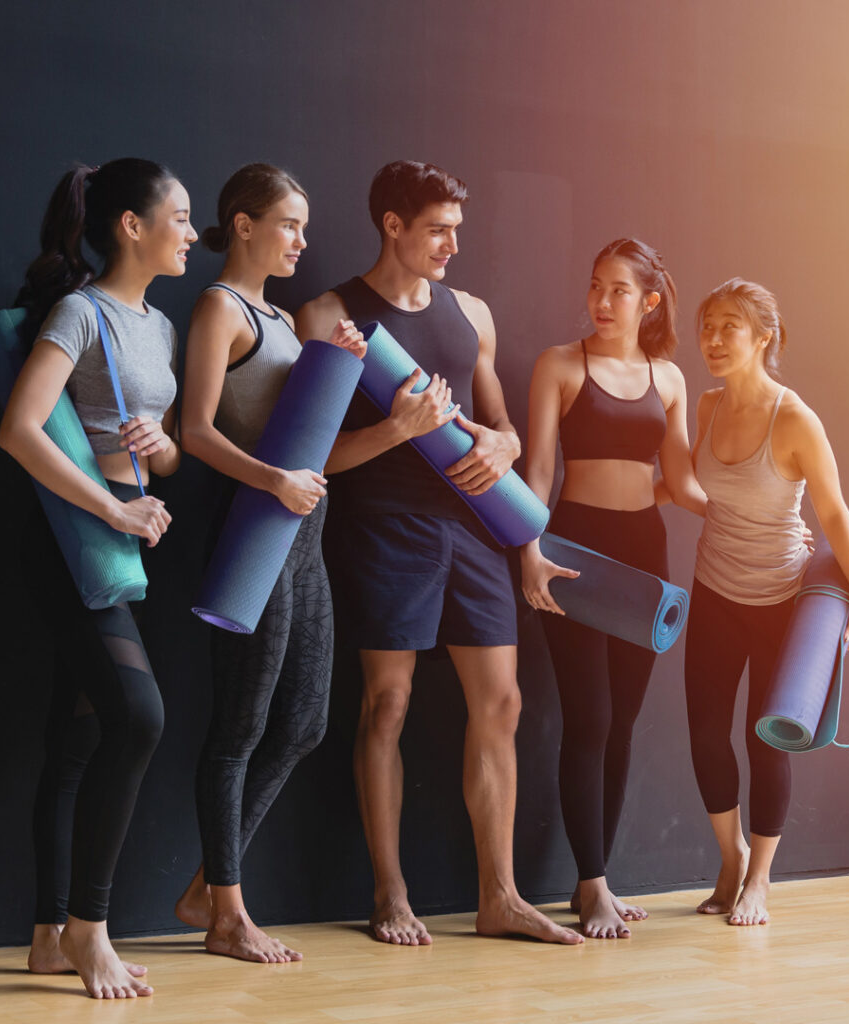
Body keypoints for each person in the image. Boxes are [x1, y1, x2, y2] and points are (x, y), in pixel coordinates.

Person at [296, 160, 582, 947]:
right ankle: (389, 895)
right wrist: (398, 430)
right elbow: (309, 457)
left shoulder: (471, 314)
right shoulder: (329, 315)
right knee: (386, 706)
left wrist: (501, 441)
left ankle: (501, 897)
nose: (453, 244)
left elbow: (507, 431)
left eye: (458, 229)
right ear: (392, 224)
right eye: (437, 230)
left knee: (503, 704)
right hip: (385, 529)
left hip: (476, 534)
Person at [0, 158, 195, 997]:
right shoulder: (80, 314)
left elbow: (171, 449)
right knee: (139, 719)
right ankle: (90, 928)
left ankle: (49, 936)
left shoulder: (158, 325)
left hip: (125, 532)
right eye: (179, 217)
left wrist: (164, 450)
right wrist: (114, 511)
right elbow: (19, 429)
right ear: (131, 226)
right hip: (72, 535)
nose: (191, 233)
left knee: (78, 737)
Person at [171, 164, 364, 963]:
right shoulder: (220, 307)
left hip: (304, 539)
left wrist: (339, 365)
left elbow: (310, 440)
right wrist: (273, 479)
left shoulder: (283, 318)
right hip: (252, 530)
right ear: (243, 225)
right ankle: (227, 912)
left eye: (304, 226)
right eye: (289, 224)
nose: (301, 240)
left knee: (307, 722)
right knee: (240, 727)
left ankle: (205, 886)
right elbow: (196, 432)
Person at [520, 238, 706, 938]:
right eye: (596, 287)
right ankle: (593, 883)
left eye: (618, 290)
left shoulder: (670, 378)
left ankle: (593, 877)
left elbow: (682, 484)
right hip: (574, 550)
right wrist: (528, 549)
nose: (601, 302)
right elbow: (540, 471)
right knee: (589, 717)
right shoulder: (561, 365)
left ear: (648, 300)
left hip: (644, 554)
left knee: (622, 721)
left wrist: (757, 520)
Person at [684, 277, 849, 925]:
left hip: (779, 601)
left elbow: (834, 516)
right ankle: (730, 857)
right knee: (706, 737)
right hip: (713, 590)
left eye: (728, 327)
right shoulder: (707, 407)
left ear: (764, 337)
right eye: (706, 325)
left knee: (764, 743)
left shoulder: (794, 419)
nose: (711, 339)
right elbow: (688, 487)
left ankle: (761, 879)